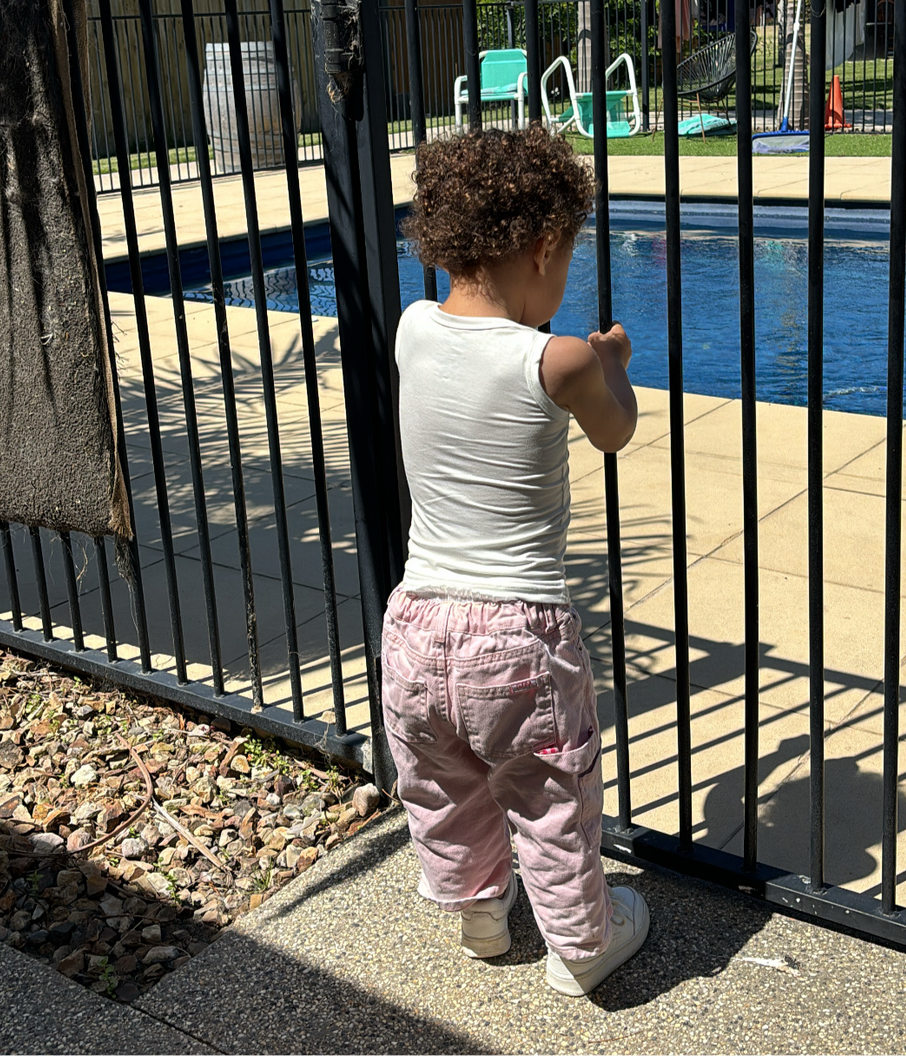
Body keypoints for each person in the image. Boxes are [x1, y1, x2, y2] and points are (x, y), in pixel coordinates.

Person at [381, 125, 647, 997]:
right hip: (516, 634)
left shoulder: (412, 327)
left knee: (444, 781)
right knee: (550, 793)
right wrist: (611, 363)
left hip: (415, 624)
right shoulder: (558, 359)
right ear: (541, 249)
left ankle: (482, 917)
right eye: (564, 258)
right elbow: (617, 428)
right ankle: (583, 945)